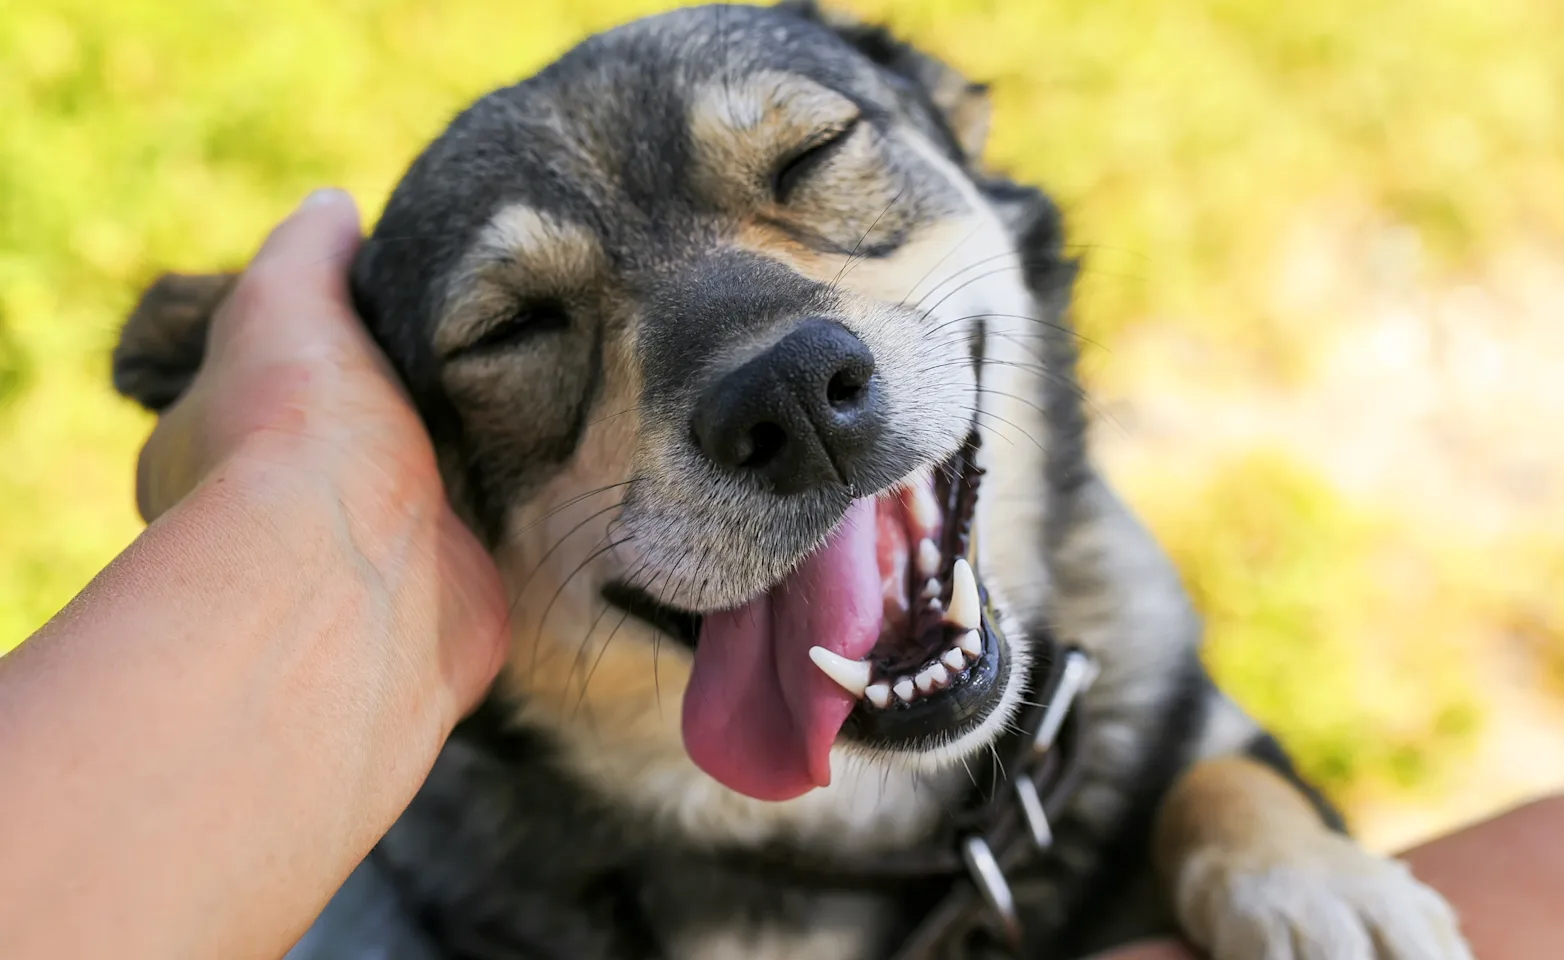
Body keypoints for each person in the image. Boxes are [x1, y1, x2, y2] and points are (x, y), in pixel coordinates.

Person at [0, 191, 1556, 960]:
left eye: (811, 166)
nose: (775, 364)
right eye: (520, 329)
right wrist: (300, 496)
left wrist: (1235, 820)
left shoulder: (1112, 623)